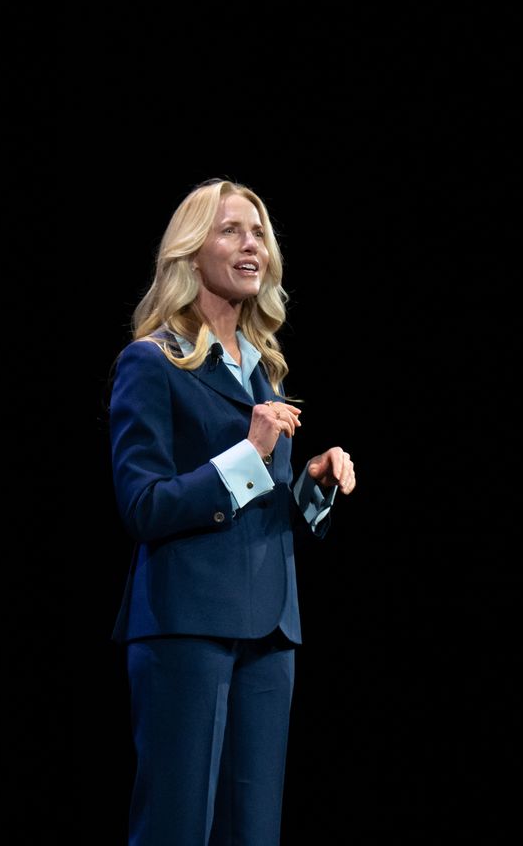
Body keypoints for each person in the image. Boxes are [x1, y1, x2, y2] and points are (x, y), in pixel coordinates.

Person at [108, 178, 358, 845]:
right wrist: (250, 452)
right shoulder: (151, 363)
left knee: (254, 833)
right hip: (186, 624)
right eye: (231, 231)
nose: (252, 245)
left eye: (258, 233)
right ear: (191, 254)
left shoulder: (263, 372)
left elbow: (265, 502)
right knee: (178, 828)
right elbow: (143, 505)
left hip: (271, 629)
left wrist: (313, 483)